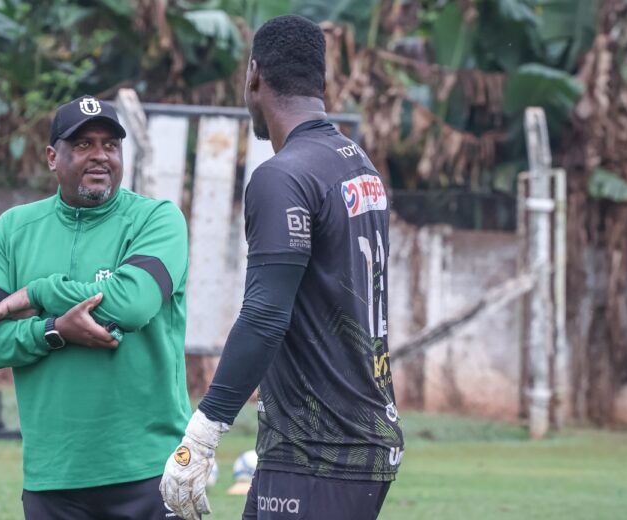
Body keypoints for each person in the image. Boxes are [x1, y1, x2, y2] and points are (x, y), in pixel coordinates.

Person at [160, 15, 404, 520]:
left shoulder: (283, 176)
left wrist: (202, 435)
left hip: (322, 448)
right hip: (350, 438)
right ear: (324, 82)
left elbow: (266, 314)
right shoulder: (358, 163)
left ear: (254, 76)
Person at [0, 95, 192, 519]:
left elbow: (133, 304)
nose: (100, 156)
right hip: (54, 477)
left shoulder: (157, 220)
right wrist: (51, 331)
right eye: (83, 144)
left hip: (148, 469)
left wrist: (37, 293)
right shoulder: (14, 230)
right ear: (53, 157)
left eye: (110, 144)